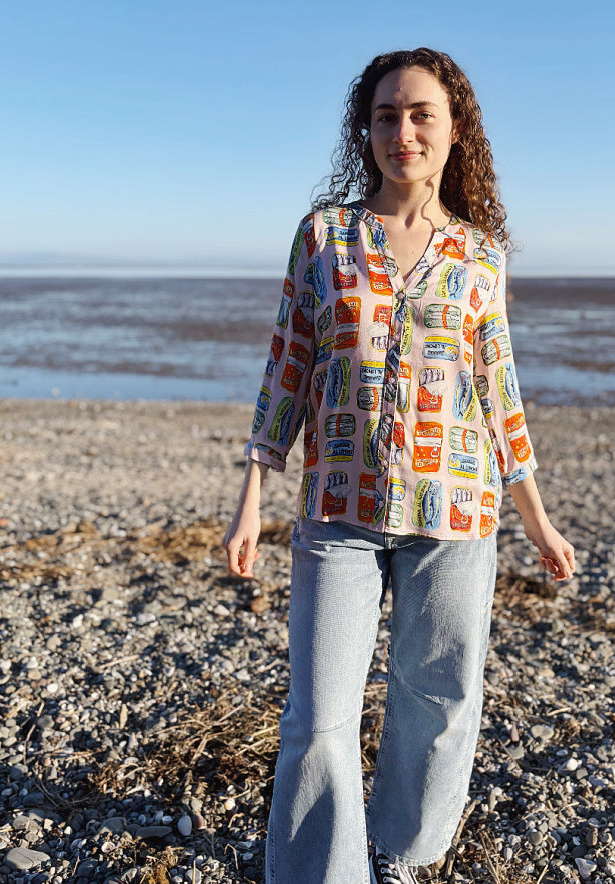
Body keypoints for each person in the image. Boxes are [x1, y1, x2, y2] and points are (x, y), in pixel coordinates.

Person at [223, 48, 575, 884]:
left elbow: (497, 392)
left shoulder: (479, 255)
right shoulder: (324, 236)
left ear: (455, 134)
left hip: (457, 515)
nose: (403, 131)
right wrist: (249, 498)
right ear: (366, 130)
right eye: (387, 115)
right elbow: (288, 368)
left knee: (442, 702)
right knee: (319, 716)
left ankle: (402, 854)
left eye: (422, 115)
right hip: (338, 511)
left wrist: (537, 517)